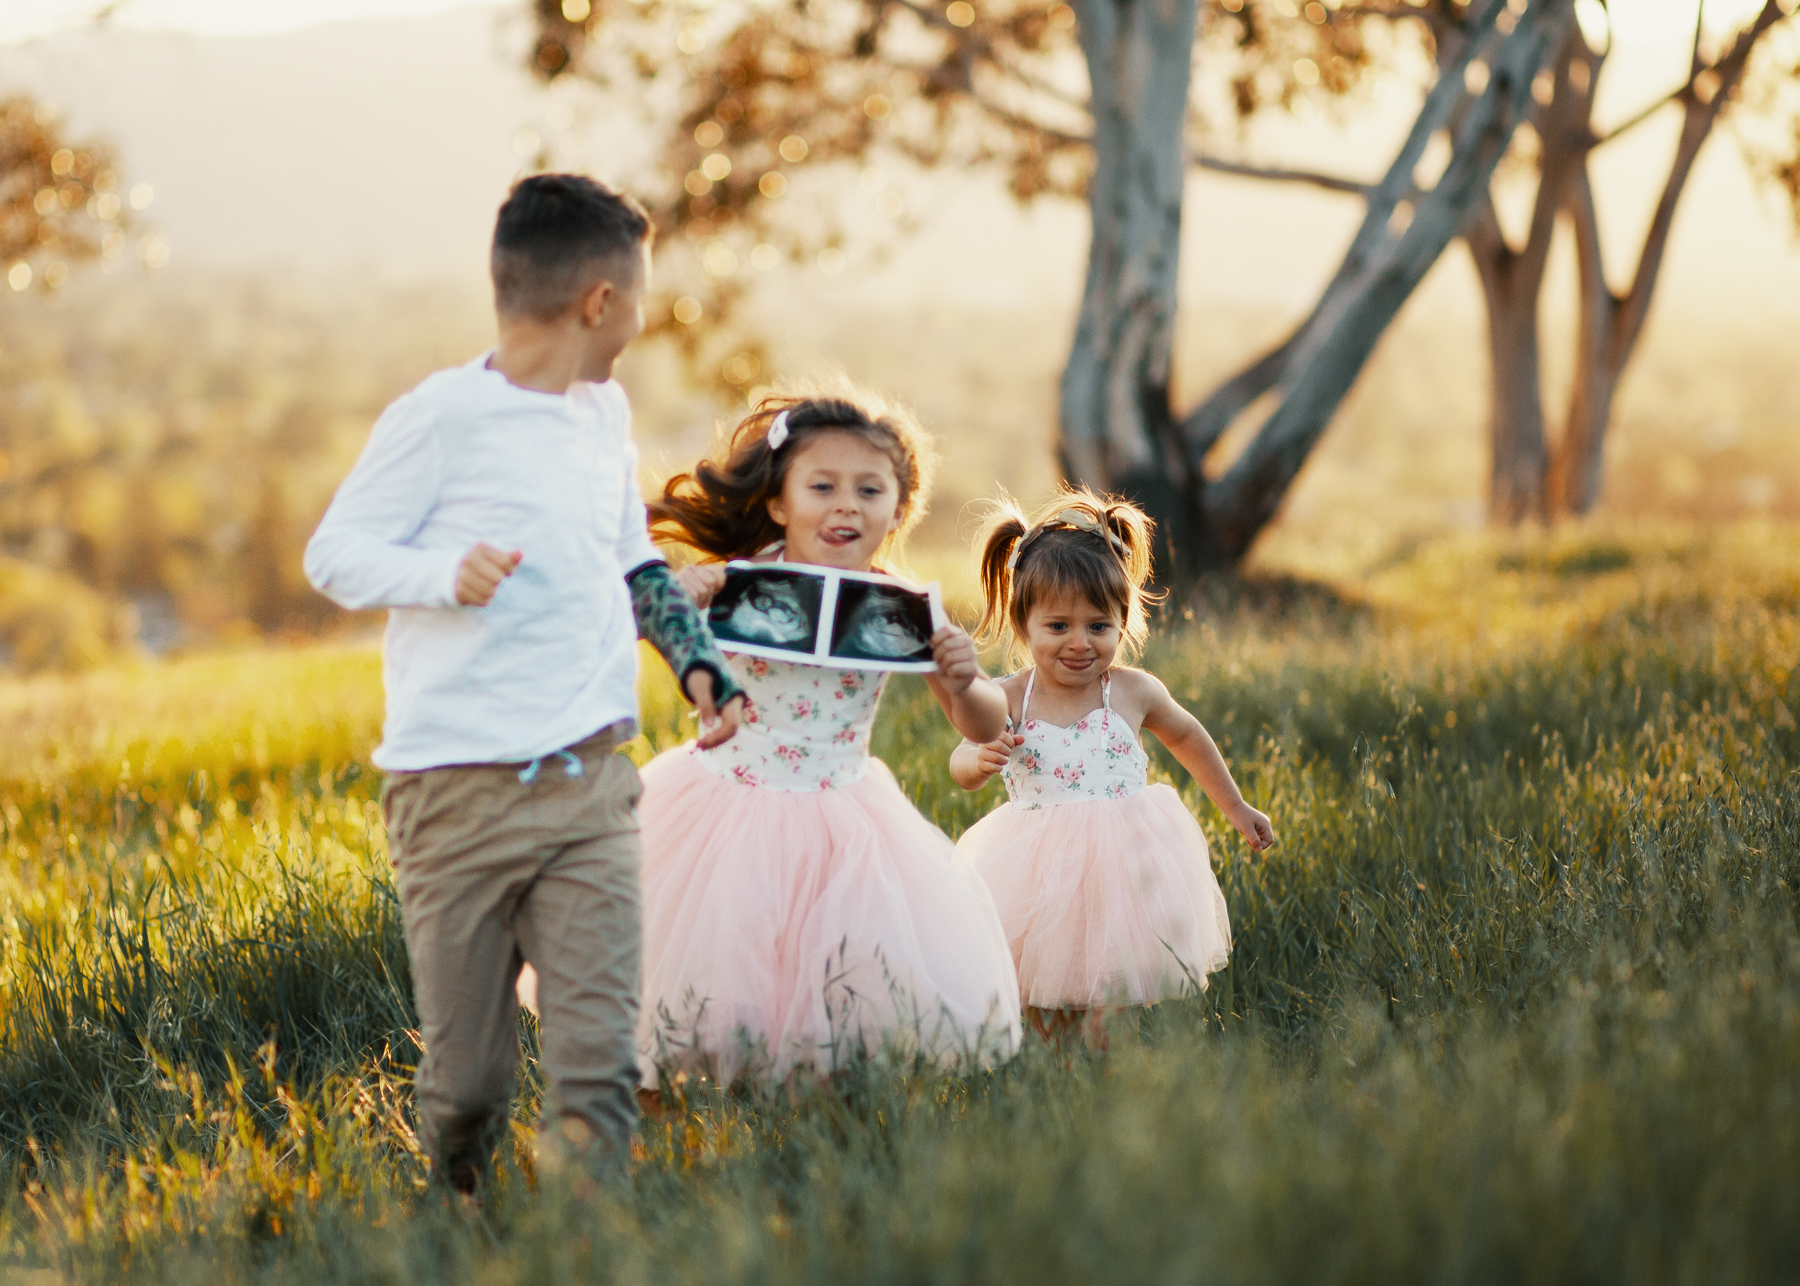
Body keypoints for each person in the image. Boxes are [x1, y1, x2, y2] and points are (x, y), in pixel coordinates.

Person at [303, 174, 743, 1193]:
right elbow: (334, 552)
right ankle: (464, 1217)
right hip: (454, 794)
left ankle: (585, 1245)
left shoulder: (602, 413)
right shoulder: (443, 416)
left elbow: (632, 558)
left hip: (592, 784)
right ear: (600, 301)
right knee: (469, 1083)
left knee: (598, 1066)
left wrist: (699, 664)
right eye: (634, 302)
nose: (638, 324)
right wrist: (438, 576)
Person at [622, 385, 1023, 1091]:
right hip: (727, 801)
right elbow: (621, 633)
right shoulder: (739, 582)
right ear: (779, 501)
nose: (846, 505)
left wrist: (965, 681)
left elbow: (984, 727)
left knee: (837, 998)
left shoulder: (900, 607)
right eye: (823, 486)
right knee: (702, 983)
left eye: (870, 489)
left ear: (898, 509)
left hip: (843, 813)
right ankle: (673, 1119)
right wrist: (680, 599)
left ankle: (817, 1122)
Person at [949, 488, 1275, 1042]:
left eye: (1099, 626)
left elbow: (1187, 737)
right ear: (1023, 623)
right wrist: (979, 759)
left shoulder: (1131, 690)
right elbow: (961, 754)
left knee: (1112, 997)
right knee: (1042, 1001)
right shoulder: (1008, 696)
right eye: (1058, 627)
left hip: (1122, 868)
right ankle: (1058, 1078)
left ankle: (1102, 1075)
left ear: (1123, 621)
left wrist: (1236, 806)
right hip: (1035, 871)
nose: (1080, 643)